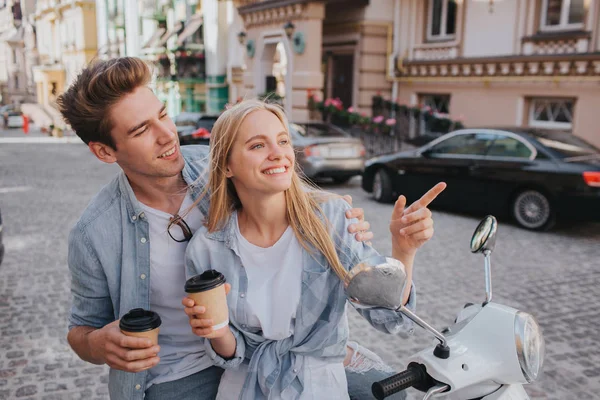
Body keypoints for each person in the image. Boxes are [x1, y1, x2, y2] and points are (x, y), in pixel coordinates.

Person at [57, 57, 387, 400]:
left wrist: (339, 219)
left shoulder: (216, 163)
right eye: (141, 130)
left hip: (270, 347)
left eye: (163, 115)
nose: (167, 134)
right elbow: (81, 330)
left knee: (394, 391)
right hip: (180, 371)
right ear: (105, 151)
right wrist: (98, 344)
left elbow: (290, 194)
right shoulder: (93, 233)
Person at [182, 99, 446, 399]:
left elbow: (389, 317)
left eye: (282, 141)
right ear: (227, 165)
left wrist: (404, 251)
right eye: (258, 145)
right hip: (245, 388)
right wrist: (215, 333)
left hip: (318, 387)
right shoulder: (207, 248)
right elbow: (235, 352)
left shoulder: (330, 219)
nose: (278, 153)